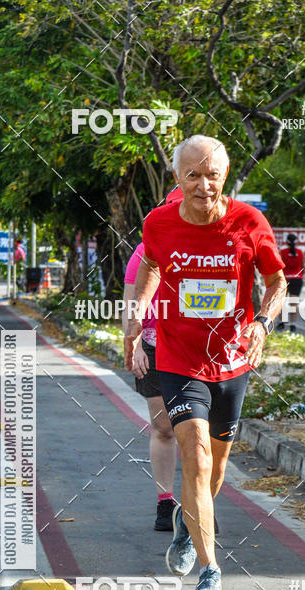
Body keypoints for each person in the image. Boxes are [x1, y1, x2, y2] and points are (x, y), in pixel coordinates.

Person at [125, 135, 286, 590]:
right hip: (177, 357)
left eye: (212, 173)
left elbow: (276, 280)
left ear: (225, 176)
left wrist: (262, 322)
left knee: (215, 470)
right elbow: (152, 263)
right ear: (177, 178)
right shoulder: (159, 222)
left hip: (233, 358)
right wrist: (137, 319)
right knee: (193, 456)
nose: (203, 184)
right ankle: (210, 569)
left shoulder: (248, 223)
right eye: (192, 174)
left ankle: (185, 520)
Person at [123, 187, 183, 531]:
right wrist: (136, 345)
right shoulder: (144, 252)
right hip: (154, 348)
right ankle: (165, 504)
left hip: (197, 353)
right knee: (164, 429)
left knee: (198, 433)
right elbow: (131, 303)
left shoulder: (210, 253)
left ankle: (197, 506)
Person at [278, 233, 304, 332]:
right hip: (297, 279)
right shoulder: (300, 252)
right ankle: (293, 324)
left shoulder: (282, 252)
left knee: (282, 302)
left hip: (285, 279)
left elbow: (280, 266)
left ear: (286, 242)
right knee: (294, 302)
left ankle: (281, 323)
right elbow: (302, 266)